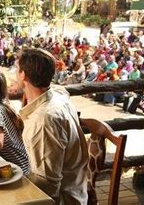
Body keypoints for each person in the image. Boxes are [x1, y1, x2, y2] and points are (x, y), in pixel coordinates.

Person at [12, 48, 88, 204]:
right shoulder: (58, 94)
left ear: (24, 75)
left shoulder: (45, 119)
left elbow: (47, 188)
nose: (14, 74)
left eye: (16, 69)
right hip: (76, 191)